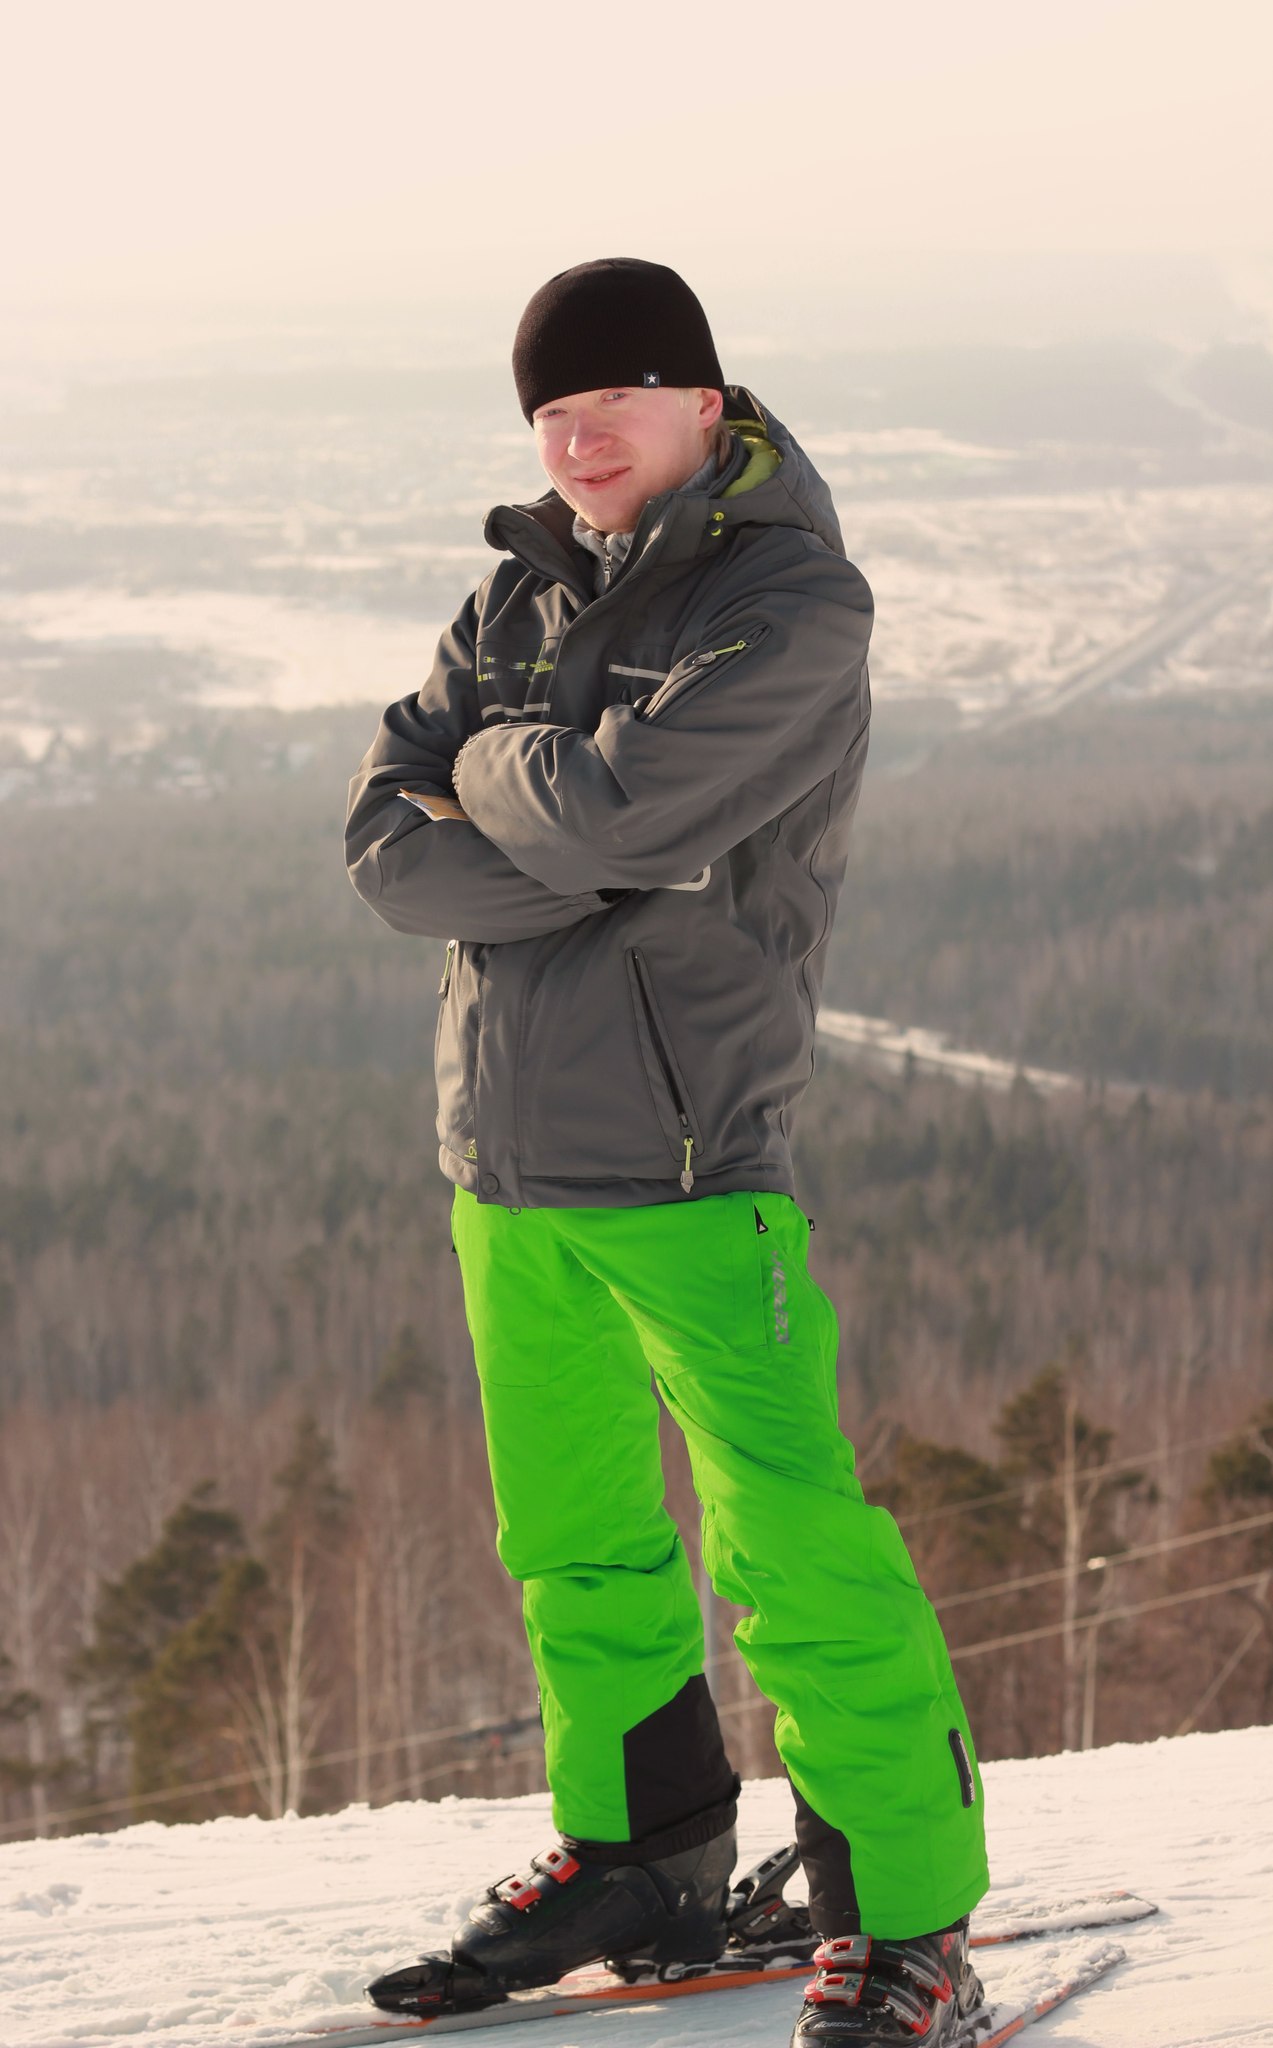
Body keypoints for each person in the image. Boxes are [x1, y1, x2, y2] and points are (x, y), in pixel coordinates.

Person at [345, 258, 989, 2045]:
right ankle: (644, 1855)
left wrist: (510, 775)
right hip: (503, 1160)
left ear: (703, 400)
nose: (575, 439)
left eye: (609, 400)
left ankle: (910, 1919)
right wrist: (549, 803)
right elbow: (385, 845)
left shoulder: (788, 600)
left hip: (693, 1158)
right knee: (573, 1543)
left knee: (794, 1557)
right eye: (549, 413)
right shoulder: (525, 584)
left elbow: (623, 813)